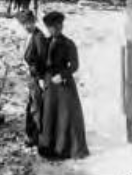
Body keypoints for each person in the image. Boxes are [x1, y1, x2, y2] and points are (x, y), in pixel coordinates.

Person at [37, 11, 89, 160]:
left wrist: (63, 75)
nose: (55, 30)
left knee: (66, 116)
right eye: (51, 27)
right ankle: (50, 149)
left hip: (63, 85)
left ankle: (68, 149)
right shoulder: (45, 42)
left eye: (58, 26)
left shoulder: (68, 44)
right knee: (49, 115)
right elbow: (41, 62)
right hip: (49, 84)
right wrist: (40, 77)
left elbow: (74, 65)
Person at [16, 9, 48, 147]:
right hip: (32, 76)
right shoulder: (31, 35)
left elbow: (43, 59)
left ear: (34, 21)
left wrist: (40, 79)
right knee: (32, 106)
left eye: (29, 23)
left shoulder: (39, 37)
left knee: (35, 108)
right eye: (24, 24)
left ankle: (35, 138)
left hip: (37, 77)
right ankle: (32, 136)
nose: (27, 26)